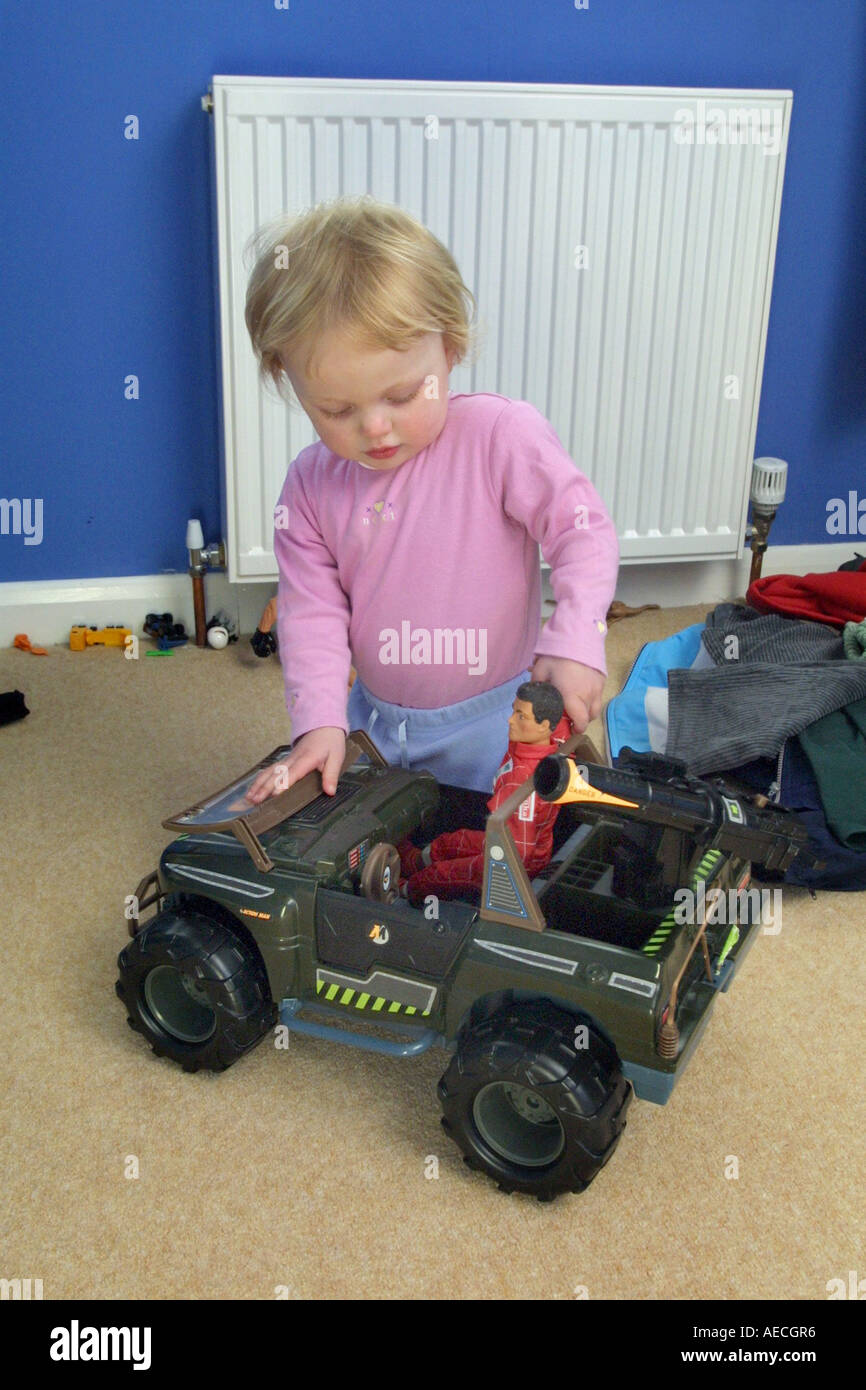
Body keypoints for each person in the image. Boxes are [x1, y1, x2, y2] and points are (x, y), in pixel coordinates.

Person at [242, 195, 618, 803]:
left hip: (499, 725)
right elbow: (310, 614)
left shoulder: (500, 436)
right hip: (374, 727)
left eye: (400, 395)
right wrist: (318, 721)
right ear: (291, 382)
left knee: (508, 861)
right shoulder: (309, 486)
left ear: (451, 346)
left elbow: (584, 532)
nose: (375, 428)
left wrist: (575, 636)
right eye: (336, 410)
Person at [398, 681, 564, 906]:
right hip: (505, 839)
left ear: (544, 726)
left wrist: (489, 871)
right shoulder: (544, 745)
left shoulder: (521, 781)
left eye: (521, 716)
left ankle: (404, 892)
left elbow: (520, 853)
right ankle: (414, 861)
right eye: (514, 711)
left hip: (511, 862)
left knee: (440, 875)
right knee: (451, 842)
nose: (510, 720)